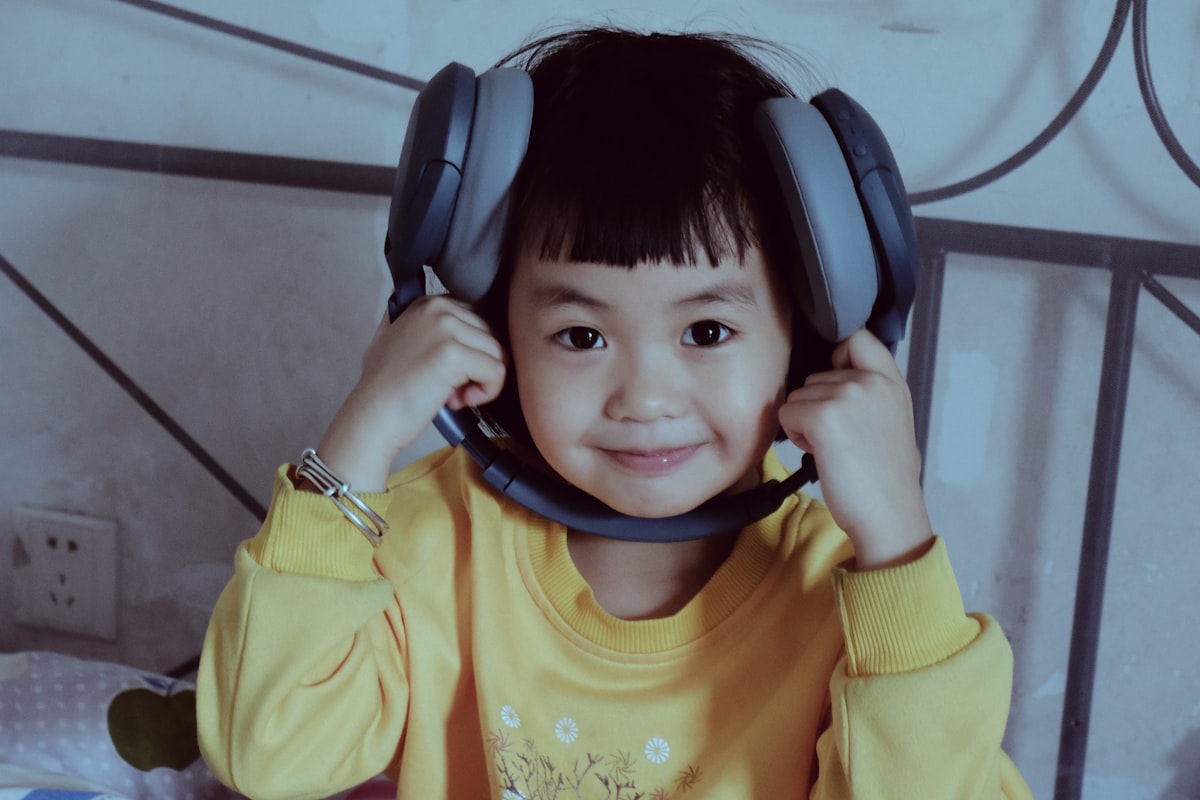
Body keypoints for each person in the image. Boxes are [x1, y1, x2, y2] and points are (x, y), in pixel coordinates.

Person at [197, 26, 1033, 799]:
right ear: (495, 332)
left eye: (707, 331)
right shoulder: (421, 537)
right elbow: (267, 752)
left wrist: (898, 539)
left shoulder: (859, 601)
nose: (645, 400)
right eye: (581, 335)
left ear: (807, 338)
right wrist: (364, 429)